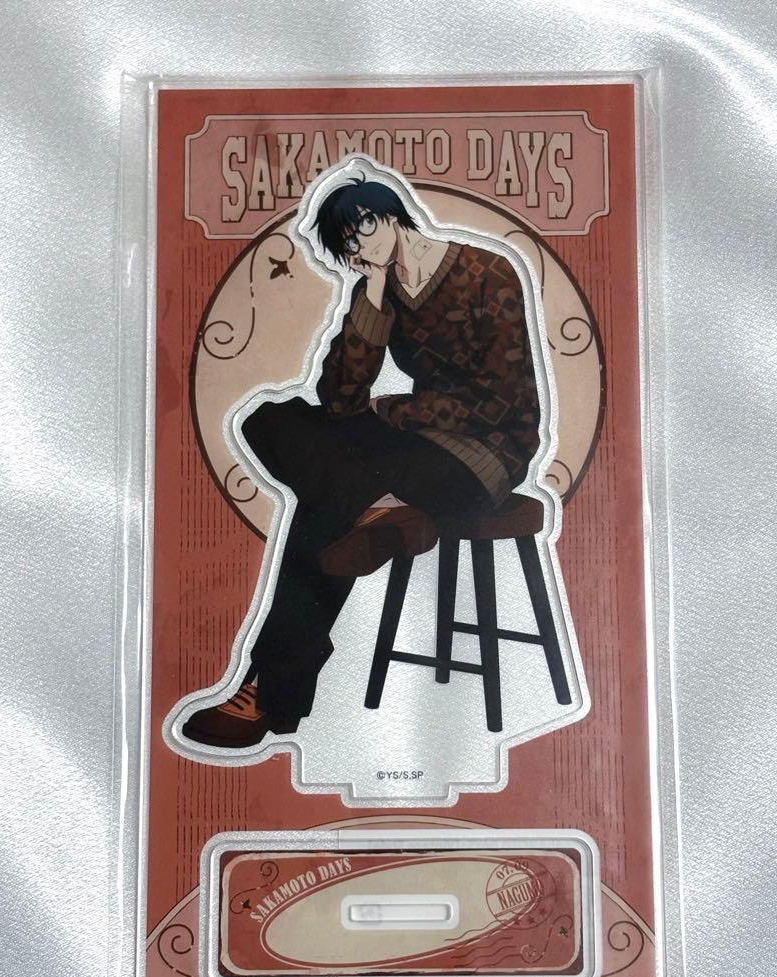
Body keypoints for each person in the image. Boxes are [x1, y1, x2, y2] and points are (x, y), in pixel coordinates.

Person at [182, 176, 541, 748]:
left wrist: (395, 409)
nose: (357, 249)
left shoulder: (487, 271)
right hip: (416, 445)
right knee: (272, 419)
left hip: (487, 454)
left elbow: (500, 401)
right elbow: (340, 401)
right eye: (346, 246)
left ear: (391, 214)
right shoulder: (379, 286)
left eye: (362, 230)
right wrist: (371, 299)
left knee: (325, 509)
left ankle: (268, 690)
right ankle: (380, 508)